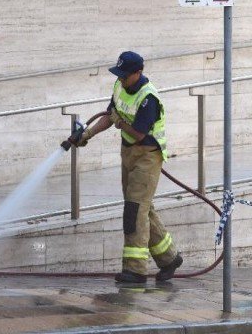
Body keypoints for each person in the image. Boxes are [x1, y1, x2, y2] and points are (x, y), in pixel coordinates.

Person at [76, 51, 182, 284]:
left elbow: (138, 132)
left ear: (138, 72)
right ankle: (169, 258)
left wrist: (120, 122)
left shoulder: (148, 98)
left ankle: (135, 270)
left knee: (135, 210)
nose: (122, 79)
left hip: (147, 155)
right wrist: (87, 134)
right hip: (128, 153)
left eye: (126, 75)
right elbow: (109, 115)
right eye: (120, 74)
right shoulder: (120, 85)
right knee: (142, 207)